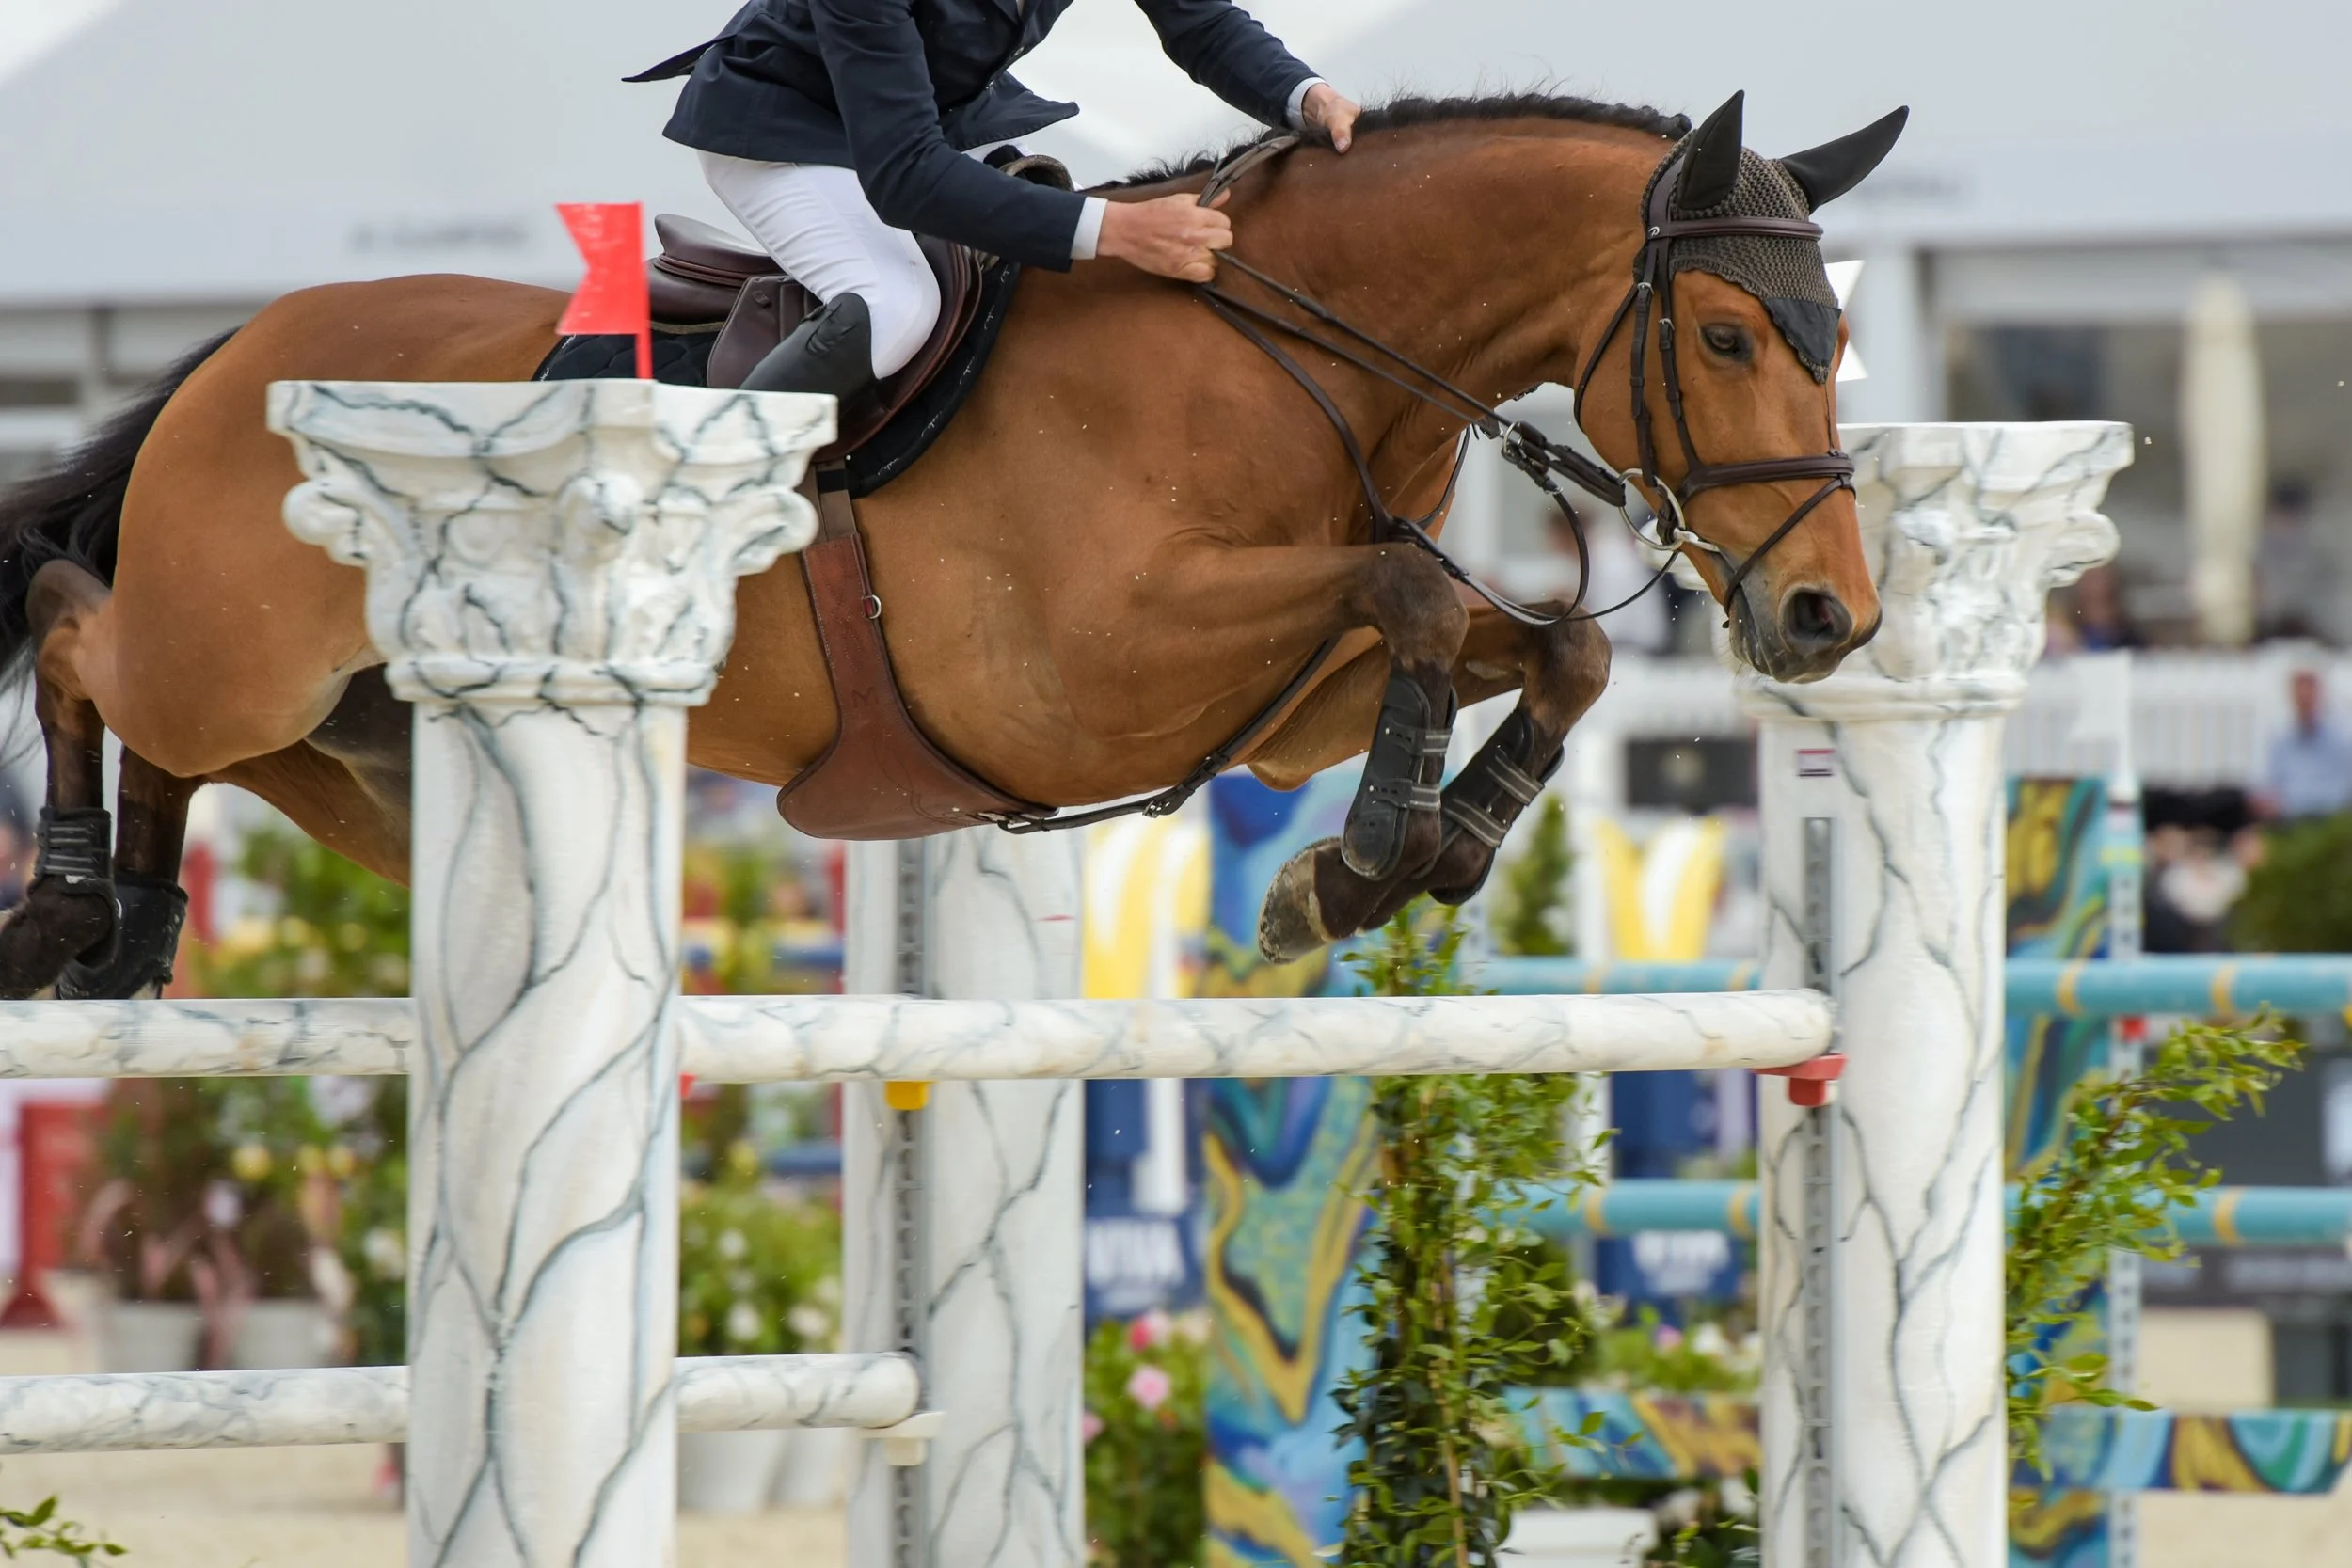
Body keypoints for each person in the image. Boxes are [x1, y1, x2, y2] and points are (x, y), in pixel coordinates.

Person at [630, 0, 1360, 403]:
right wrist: (1121, 229)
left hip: (923, 117)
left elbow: (1199, 23)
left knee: (1043, 270)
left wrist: (1304, 95)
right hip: (781, 127)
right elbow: (905, 176)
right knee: (896, 306)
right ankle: (699, 502)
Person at [2257, 666, 2352, 822]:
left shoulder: (2341, 737)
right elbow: (2268, 783)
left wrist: (2291, 804)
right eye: (2299, 687)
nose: (2304, 694)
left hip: (2327, 819)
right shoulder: (2280, 736)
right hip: (2287, 819)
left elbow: (2341, 792)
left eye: (2309, 686)